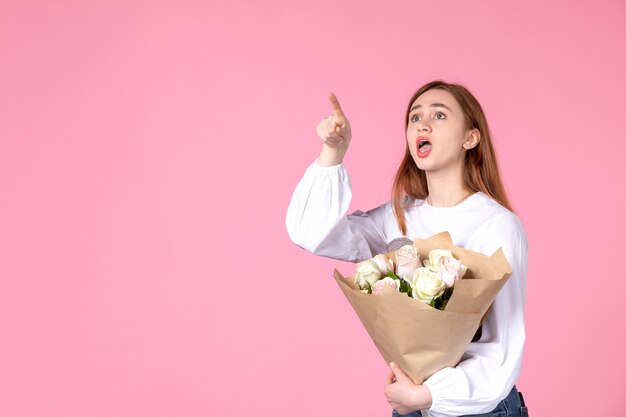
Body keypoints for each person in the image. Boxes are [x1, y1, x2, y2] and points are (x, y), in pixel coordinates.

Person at [285, 80, 529, 417]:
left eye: (439, 115)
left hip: (480, 409)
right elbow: (310, 232)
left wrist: (430, 396)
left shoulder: (497, 225)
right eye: (415, 118)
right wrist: (333, 153)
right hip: (411, 404)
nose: (423, 124)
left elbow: (502, 349)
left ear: (470, 138)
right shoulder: (397, 218)